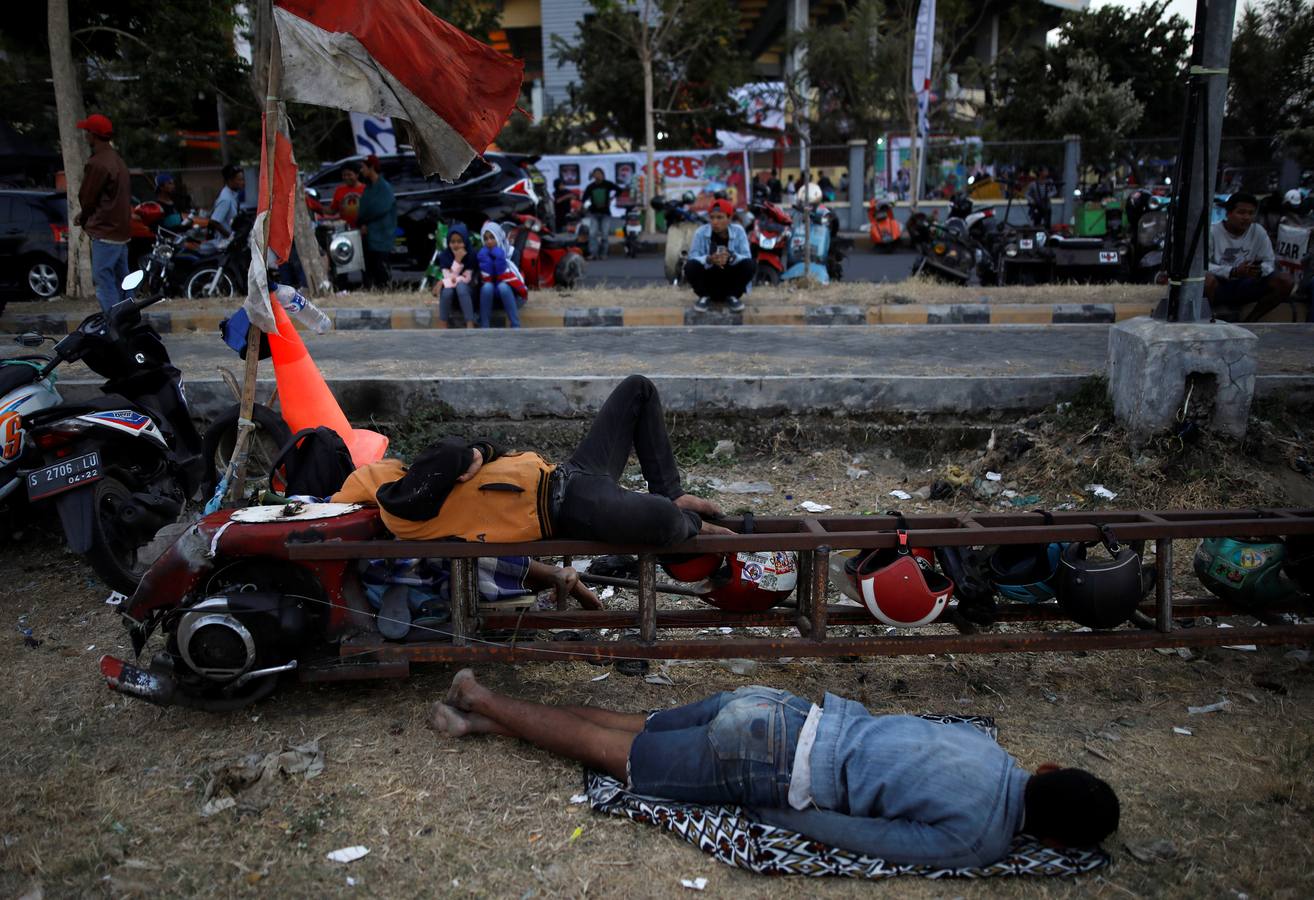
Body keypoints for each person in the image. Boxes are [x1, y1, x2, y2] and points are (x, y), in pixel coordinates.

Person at [430, 674, 1121, 869]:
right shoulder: (984, 842)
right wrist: (778, 815)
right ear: (1053, 845)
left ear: (1047, 767)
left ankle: (481, 717)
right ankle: (484, 699)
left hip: (779, 706)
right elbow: (867, 839)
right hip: (766, 762)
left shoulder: (984, 747)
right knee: (617, 755)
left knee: (633, 727)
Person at [333, 374, 732, 548]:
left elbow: (484, 447)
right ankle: (689, 523)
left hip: (569, 474)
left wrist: (482, 451)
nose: (392, 461)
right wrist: (472, 453)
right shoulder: (402, 507)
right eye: (379, 466)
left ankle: (672, 491)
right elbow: (452, 450)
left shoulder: (426, 480)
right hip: (569, 509)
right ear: (373, 482)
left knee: (637, 390)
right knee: (660, 520)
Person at [74, 113, 132, 312]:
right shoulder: (118, 161)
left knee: (105, 283)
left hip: (105, 232)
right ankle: (129, 319)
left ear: (93, 135)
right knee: (123, 282)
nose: (85, 135)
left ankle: (114, 324)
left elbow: (88, 197)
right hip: (121, 233)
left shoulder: (97, 163)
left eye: (87, 131)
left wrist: (83, 217)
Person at [1206, 192, 1293, 322]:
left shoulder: (1258, 231)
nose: (1246, 217)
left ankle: (1250, 321)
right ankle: (1208, 319)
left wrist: (1256, 270)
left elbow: (1269, 262)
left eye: (1251, 213)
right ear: (1228, 213)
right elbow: (1202, 266)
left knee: (1285, 280)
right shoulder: (1212, 232)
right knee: (1207, 280)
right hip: (1221, 285)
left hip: (1248, 283)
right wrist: (1232, 271)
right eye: (1241, 212)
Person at [684, 199, 753, 313]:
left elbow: (746, 256)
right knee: (690, 266)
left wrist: (731, 257)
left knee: (750, 265)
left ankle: (733, 296)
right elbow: (693, 257)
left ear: (729, 218)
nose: (715, 222)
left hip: (730, 280)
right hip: (709, 281)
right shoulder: (700, 232)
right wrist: (708, 259)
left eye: (720, 217)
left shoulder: (739, 231)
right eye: (712, 217)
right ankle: (704, 297)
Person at [356, 154, 397, 290]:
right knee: (368, 268)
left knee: (381, 270)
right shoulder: (368, 188)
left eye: (363, 167)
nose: (361, 171)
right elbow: (363, 209)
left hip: (381, 237)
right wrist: (361, 223)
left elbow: (377, 209)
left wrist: (363, 220)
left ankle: (385, 292)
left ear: (371, 167)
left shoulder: (384, 188)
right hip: (368, 237)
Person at [432, 222, 477, 328]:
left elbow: (466, 279)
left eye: (459, 241)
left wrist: (441, 282)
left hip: (468, 293)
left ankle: (469, 323)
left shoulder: (471, 255)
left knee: (461, 286)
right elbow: (449, 279)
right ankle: (443, 323)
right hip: (451, 294)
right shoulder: (445, 256)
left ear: (465, 241)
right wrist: (457, 261)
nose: (456, 245)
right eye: (452, 242)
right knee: (447, 290)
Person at [476, 222, 521, 328]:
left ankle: (515, 325)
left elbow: (511, 277)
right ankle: (484, 325)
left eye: (492, 237)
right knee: (487, 287)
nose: (489, 242)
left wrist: (500, 258)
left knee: (503, 286)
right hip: (488, 296)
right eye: (486, 239)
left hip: (509, 294)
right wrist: (486, 261)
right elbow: (483, 280)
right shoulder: (481, 254)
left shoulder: (512, 252)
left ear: (499, 236)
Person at [583, 167, 619, 260]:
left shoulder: (607, 184)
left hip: (605, 213)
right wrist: (587, 206)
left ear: (603, 175)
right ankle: (593, 253)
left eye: (600, 173)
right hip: (594, 213)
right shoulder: (590, 187)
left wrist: (612, 198)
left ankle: (604, 254)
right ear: (593, 175)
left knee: (605, 234)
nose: (598, 175)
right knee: (592, 234)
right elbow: (583, 199)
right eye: (596, 174)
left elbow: (619, 190)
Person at [209, 163, 245, 241]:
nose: (243, 182)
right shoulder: (226, 199)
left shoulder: (231, 194)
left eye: (243, 179)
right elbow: (214, 221)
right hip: (224, 244)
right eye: (239, 180)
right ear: (230, 180)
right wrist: (230, 237)